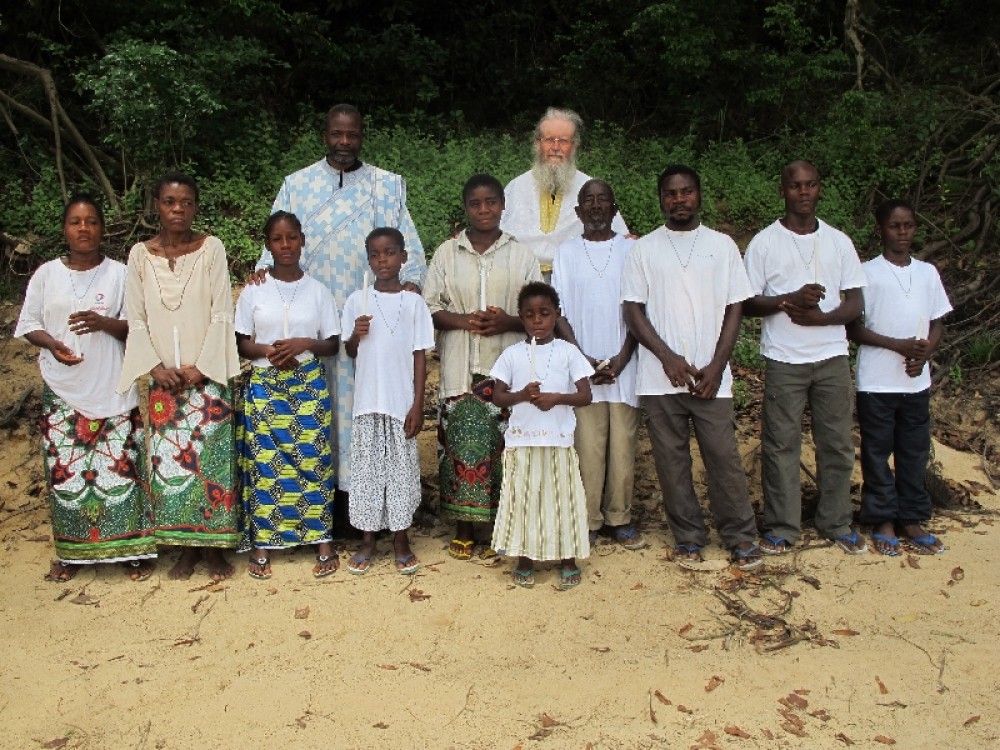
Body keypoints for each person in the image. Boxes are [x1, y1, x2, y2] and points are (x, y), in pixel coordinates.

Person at [256, 103, 427, 518]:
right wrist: (260, 274)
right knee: (317, 410)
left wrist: (411, 284)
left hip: (369, 324)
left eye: (352, 135)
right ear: (325, 134)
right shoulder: (297, 185)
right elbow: (274, 246)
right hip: (311, 319)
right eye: (337, 134)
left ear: (362, 135)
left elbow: (413, 253)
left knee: (365, 411)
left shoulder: (387, 186)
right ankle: (321, 500)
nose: (345, 143)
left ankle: (365, 502)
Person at [622, 165, 762, 570]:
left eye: (686, 192)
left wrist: (718, 364)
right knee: (672, 463)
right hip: (660, 377)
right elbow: (633, 310)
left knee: (723, 458)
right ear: (660, 198)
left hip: (710, 376)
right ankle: (688, 537)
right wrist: (667, 357)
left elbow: (736, 305)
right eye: (671, 193)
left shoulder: (722, 246)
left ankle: (739, 537)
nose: (679, 200)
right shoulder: (644, 249)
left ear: (699, 195)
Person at [16, 195, 156, 582]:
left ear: (101, 228)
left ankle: (131, 549)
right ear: (65, 228)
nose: (83, 229)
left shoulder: (120, 273)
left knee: (120, 470)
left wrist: (103, 322)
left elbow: (136, 325)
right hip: (62, 388)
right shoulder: (46, 274)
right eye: (76, 222)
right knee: (67, 474)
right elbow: (29, 324)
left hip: (111, 385)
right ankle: (71, 554)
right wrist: (52, 345)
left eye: (91, 222)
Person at [118, 173, 242, 580]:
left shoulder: (211, 249)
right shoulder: (139, 255)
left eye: (186, 202)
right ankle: (185, 549)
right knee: (170, 465)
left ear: (195, 207)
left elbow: (223, 312)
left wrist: (198, 367)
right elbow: (135, 319)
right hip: (164, 384)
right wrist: (155, 368)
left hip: (206, 378)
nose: (178, 210)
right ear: (156, 204)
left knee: (211, 463)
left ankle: (214, 550)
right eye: (170, 202)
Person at [743, 160, 868, 555]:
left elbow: (856, 302)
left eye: (811, 185)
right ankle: (783, 527)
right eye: (795, 185)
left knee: (836, 443)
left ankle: (837, 521)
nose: (803, 192)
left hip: (832, 357)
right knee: (781, 445)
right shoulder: (765, 242)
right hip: (784, 360)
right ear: (782, 190)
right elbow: (747, 302)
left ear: (819, 189)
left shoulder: (838, 241)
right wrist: (789, 300)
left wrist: (822, 319)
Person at [422, 174, 542, 561]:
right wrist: (463, 321)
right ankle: (463, 527)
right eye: (475, 203)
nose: (484, 209)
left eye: (491, 202)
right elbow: (427, 308)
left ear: (503, 205)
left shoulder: (520, 254)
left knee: (505, 449)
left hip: (506, 369)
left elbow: (540, 311)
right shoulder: (446, 253)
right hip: (460, 366)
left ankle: (502, 527)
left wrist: (508, 322)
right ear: (466, 207)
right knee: (459, 448)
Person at [235, 211, 341, 579]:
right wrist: (268, 351)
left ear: (302, 241)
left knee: (312, 461)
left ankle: (322, 539)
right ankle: (263, 543)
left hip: (308, 387)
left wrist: (304, 343)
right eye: (278, 239)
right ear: (268, 245)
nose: (286, 246)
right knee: (266, 465)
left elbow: (332, 344)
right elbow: (241, 343)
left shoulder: (318, 291)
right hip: (265, 387)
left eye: (292, 238)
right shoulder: (253, 290)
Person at [847, 200, 952, 555]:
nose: (902, 232)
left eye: (908, 226)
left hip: (915, 383)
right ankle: (882, 518)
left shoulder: (927, 273)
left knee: (913, 451)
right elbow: (855, 329)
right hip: (877, 382)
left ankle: (912, 517)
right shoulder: (867, 273)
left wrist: (924, 353)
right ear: (881, 230)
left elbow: (937, 322)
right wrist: (899, 345)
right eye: (895, 226)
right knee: (877, 453)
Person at [552, 179, 643, 550]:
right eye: (587, 201)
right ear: (577, 212)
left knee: (623, 445)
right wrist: (581, 359)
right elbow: (559, 312)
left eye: (603, 200)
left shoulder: (633, 250)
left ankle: (620, 517)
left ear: (615, 208)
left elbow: (642, 306)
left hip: (626, 363)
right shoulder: (566, 252)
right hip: (582, 365)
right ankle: (588, 519)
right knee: (587, 447)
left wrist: (622, 357)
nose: (595, 206)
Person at [341, 228, 434, 575]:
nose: (383, 260)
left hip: (400, 403)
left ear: (403, 258)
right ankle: (367, 540)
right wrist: (356, 334)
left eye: (390, 253)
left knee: (400, 473)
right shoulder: (357, 300)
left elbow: (420, 355)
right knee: (366, 474)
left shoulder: (414, 303)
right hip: (367, 403)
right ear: (368, 260)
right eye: (376, 255)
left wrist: (417, 405)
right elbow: (350, 352)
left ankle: (401, 539)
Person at [490, 282, 594, 589]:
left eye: (545, 314)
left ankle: (567, 559)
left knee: (562, 501)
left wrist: (555, 399)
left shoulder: (568, 352)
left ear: (557, 315)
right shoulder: (512, 354)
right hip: (522, 441)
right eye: (530, 315)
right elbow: (497, 396)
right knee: (524, 501)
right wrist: (522, 394)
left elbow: (585, 395)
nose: (538, 321)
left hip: (558, 441)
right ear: (521, 318)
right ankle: (525, 558)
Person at [500, 107, 627, 273]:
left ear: (574, 146)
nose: (555, 147)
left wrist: (626, 240)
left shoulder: (591, 189)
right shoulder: (516, 187)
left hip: (575, 276)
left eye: (563, 141)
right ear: (537, 143)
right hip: (521, 276)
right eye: (549, 139)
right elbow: (494, 231)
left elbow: (618, 236)